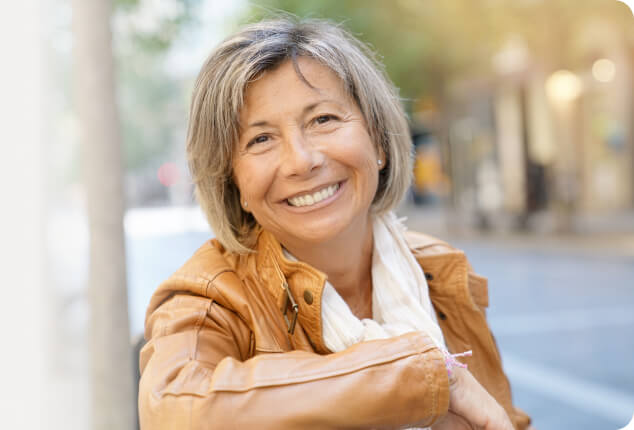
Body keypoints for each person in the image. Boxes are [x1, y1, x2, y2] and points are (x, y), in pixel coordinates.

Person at [137, 18, 532, 429]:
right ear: (233, 183)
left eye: (323, 119)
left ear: (378, 140)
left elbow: (501, 418)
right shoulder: (209, 299)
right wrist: (431, 377)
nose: (302, 160)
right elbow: (173, 411)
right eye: (261, 139)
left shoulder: (438, 269)